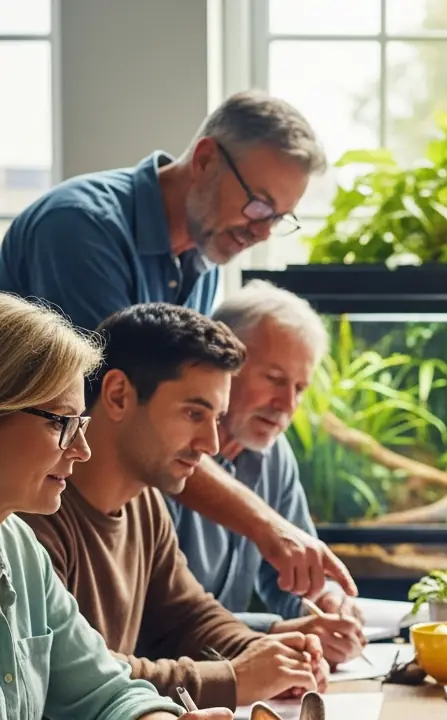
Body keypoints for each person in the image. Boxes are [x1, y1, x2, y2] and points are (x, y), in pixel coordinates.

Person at [0, 89, 357, 616]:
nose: (261, 232)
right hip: (47, 523)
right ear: (207, 158)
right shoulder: (81, 228)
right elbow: (105, 417)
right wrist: (267, 527)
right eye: (259, 205)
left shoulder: (201, 265)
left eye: (279, 218)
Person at [20, 303, 328, 720]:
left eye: (216, 419)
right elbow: (86, 672)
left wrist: (267, 655)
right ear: (119, 395)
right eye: (193, 413)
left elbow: (187, 615)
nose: (212, 446)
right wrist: (234, 677)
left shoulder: (145, 504)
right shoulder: (31, 516)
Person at [0, 293, 234, 720]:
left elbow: (105, 693)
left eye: (81, 422)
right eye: (61, 422)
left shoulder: (18, 546)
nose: (81, 448)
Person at [165, 280, 364, 667]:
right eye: (273, 379)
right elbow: (161, 622)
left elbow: (295, 577)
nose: (286, 405)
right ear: (221, 364)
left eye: (300, 388)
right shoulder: (166, 457)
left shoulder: (272, 454)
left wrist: (327, 605)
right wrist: (275, 630)